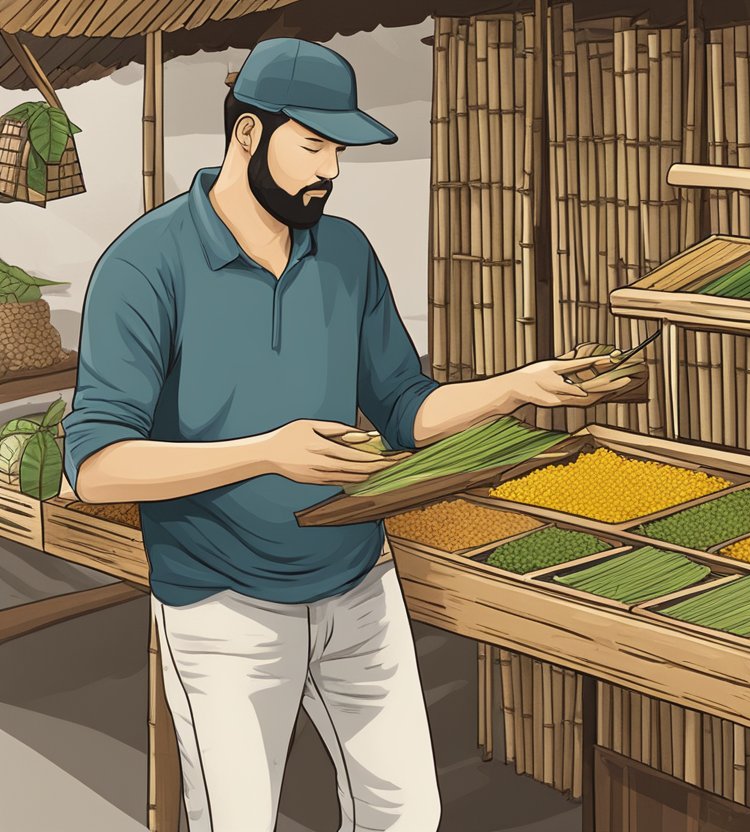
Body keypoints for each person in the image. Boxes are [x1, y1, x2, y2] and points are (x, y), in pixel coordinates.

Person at [62, 37, 629, 832]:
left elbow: (405, 406)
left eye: (341, 150)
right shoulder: (146, 265)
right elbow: (97, 466)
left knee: (404, 814)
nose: (331, 169)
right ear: (249, 134)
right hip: (223, 603)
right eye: (315, 144)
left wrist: (519, 386)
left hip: (357, 580)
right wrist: (264, 450)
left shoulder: (347, 253)